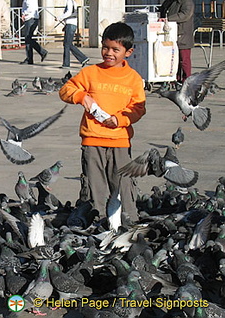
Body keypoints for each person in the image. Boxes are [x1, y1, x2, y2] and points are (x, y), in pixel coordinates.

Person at [59, 22, 146, 227]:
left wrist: (120, 119)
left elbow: (139, 108)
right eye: (105, 47)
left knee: (123, 184)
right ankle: (96, 222)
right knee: (94, 186)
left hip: (120, 141)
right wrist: (81, 97)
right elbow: (65, 90)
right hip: (92, 140)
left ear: (128, 52)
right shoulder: (90, 73)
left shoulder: (133, 79)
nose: (109, 53)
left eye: (116, 49)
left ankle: (129, 222)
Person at [159, 0, 194, 85]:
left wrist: (168, 19)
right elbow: (162, 11)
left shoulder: (187, 2)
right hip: (172, 34)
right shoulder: (169, 2)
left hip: (183, 34)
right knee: (173, 59)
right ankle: (174, 78)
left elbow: (185, 15)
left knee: (184, 59)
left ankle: (186, 80)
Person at [55, 0, 89, 68]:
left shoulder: (69, 2)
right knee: (68, 44)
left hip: (70, 24)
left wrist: (59, 17)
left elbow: (68, 13)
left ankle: (66, 64)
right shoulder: (73, 2)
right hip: (72, 24)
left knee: (67, 44)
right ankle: (83, 58)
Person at [20, 0, 48, 65]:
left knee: (27, 38)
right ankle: (30, 58)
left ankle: (41, 52)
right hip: (31, 17)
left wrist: (25, 14)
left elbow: (30, 7)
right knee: (28, 38)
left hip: (30, 18)